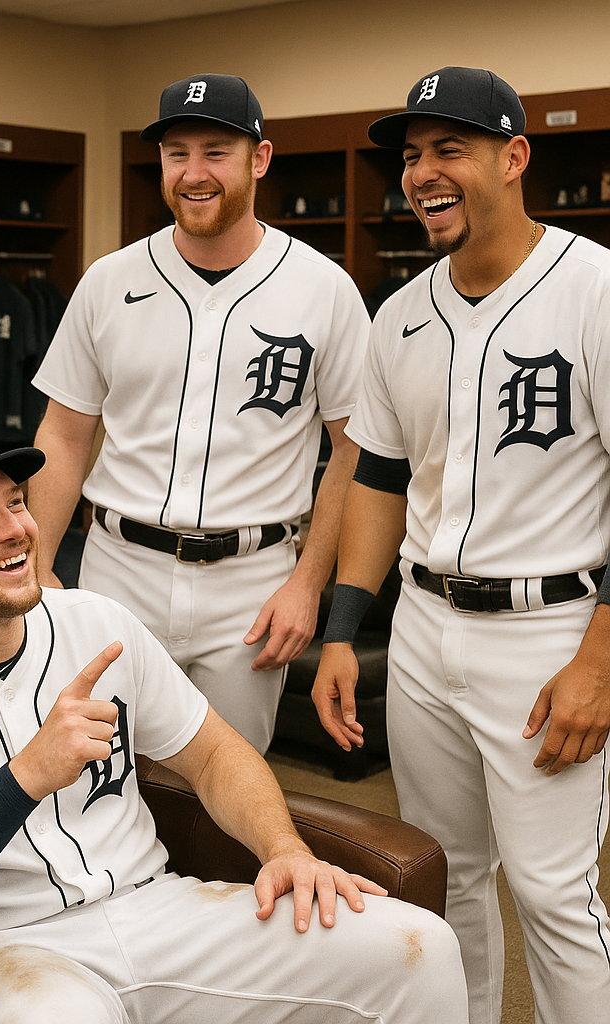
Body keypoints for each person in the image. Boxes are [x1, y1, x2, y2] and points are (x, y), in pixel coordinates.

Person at [0, 423, 468, 1024]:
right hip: (7, 947)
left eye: (15, 502)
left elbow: (212, 755)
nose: (14, 529)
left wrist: (284, 849)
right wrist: (25, 778)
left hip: (158, 909)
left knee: (420, 949)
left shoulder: (97, 623)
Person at [310, 67, 610, 1024]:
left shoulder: (596, 289)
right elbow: (380, 482)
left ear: (514, 157)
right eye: (411, 157)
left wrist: (599, 659)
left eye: (450, 149)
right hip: (425, 631)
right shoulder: (399, 315)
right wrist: (341, 633)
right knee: (446, 881)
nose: (423, 174)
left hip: (550, 631)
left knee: (555, 895)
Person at [30, 73, 369, 754]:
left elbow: (354, 452)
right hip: (118, 569)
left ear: (259, 159)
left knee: (232, 788)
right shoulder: (108, 280)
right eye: (176, 152)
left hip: (253, 583)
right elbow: (65, 435)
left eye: (216, 151)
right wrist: (38, 564)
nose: (193, 172)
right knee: (102, 781)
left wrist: (309, 585)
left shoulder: (324, 288)